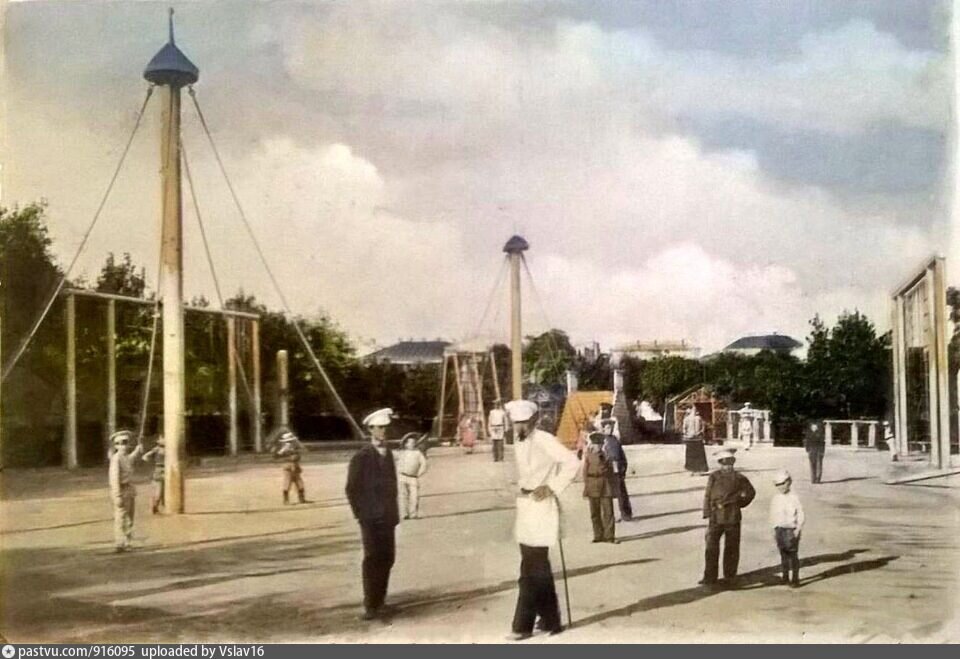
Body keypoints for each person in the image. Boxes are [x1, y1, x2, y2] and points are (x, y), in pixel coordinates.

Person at [506, 399, 580, 641]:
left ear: (534, 421)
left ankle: (522, 625)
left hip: (542, 507)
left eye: (524, 423)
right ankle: (551, 620)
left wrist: (552, 487)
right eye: (516, 424)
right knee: (537, 566)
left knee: (530, 567)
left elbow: (572, 462)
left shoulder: (544, 439)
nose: (520, 428)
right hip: (525, 506)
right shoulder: (518, 442)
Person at [346, 408, 400, 620]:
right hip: (370, 518)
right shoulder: (361, 457)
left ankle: (381, 601)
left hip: (387, 517)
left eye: (386, 428)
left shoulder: (388, 455)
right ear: (370, 430)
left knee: (388, 558)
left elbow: (392, 485)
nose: (383, 432)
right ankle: (371, 606)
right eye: (379, 428)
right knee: (372, 559)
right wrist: (361, 514)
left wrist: (393, 513)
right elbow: (351, 488)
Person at [700, 448, 755, 588]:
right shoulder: (713, 477)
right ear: (720, 464)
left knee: (732, 548)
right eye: (724, 464)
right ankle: (710, 577)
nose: (727, 467)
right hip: (716, 516)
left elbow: (751, 492)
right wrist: (707, 511)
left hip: (732, 516)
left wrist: (740, 504)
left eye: (730, 464)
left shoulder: (740, 478)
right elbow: (707, 494)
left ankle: (730, 577)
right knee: (711, 547)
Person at [108, 429, 143, 552]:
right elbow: (114, 478)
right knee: (120, 517)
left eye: (126, 442)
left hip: (129, 489)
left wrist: (137, 450)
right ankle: (120, 543)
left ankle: (128, 542)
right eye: (121, 443)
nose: (124, 445)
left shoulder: (125, 457)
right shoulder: (116, 459)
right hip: (121, 490)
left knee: (129, 518)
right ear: (116, 445)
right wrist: (117, 495)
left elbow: (131, 459)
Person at [769, 470, 805, 587]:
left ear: (789, 482)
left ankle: (795, 578)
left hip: (791, 529)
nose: (781, 487)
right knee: (783, 554)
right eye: (778, 485)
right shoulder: (776, 498)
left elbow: (800, 514)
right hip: (779, 529)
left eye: (783, 484)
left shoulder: (794, 498)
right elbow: (773, 514)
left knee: (793, 554)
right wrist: (773, 529)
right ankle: (785, 576)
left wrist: (798, 529)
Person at [583, 432, 616, 543]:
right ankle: (598, 535)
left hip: (605, 484)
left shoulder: (606, 455)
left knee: (608, 512)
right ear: (592, 444)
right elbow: (585, 472)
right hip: (592, 484)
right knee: (594, 512)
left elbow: (611, 471)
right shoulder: (588, 455)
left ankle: (609, 536)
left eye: (600, 444)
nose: (598, 447)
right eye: (596, 444)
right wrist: (586, 486)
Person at [601, 419, 633, 522]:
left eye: (611, 428)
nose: (610, 430)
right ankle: (609, 516)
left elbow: (622, 455)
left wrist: (623, 468)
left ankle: (626, 514)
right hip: (607, 469)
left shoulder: (615, 440)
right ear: (603, 429)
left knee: (621, 493)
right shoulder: (602, 441)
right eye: (607, 428)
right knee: (607, 495)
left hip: (617, 469)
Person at [397, 432, 428, 519]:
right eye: (410, 443)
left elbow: (424, 464)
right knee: (403, 496)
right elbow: (394, 460)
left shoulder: (418, 453)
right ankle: (404, 514)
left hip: (413, 477)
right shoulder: (401, 453)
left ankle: (413, 514)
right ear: (406, 444)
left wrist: (419, 473)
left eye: (414, 443)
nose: (412, 444)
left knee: (414, 496)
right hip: (402, 476)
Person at [273, 430, 308, 504]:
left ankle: (301, 499)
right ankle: (286, 500)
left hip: (294, 466)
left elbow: (303, 450)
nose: (290, 443)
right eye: (289, 441)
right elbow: (276, 456)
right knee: (288, 483)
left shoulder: (294, 447)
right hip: (288, 466)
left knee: (299, 483)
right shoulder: (283, 449)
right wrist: (283, 452)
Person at [681, 407, 709, 476]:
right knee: (699, 455)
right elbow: (703, 428)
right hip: (697, 438)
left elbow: (684, 429)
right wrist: (699, 433)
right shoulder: (699, 418)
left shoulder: (687, 419)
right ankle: (699, 470)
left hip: (690, 439)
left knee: (691, 455)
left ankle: (692, 470)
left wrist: (687, 434)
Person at [141, 436, 165, 514]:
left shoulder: (169, 448)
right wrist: (150, 462)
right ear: (158, 440)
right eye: (162, 438)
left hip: (167, 470)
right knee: (159, 491)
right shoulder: (157, 449)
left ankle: (157, 507)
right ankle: (154, 507)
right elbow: (145, 457)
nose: (164, 440)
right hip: (159, 470)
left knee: (163, 492)